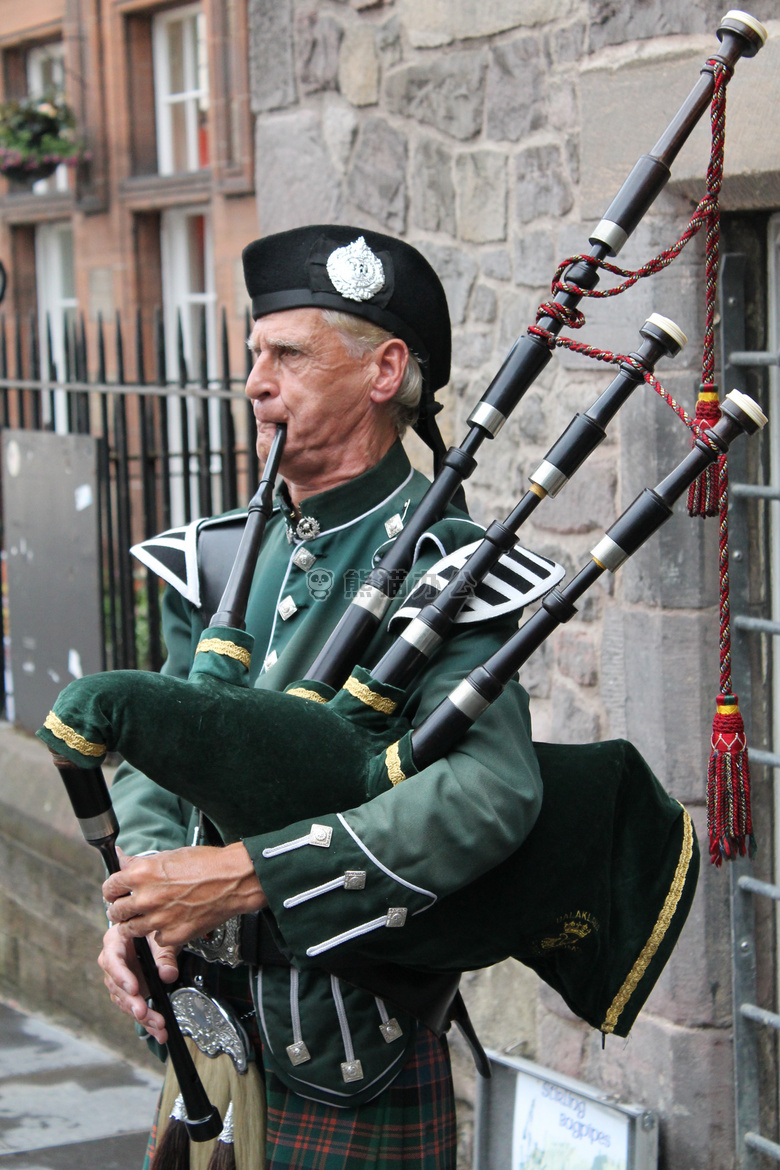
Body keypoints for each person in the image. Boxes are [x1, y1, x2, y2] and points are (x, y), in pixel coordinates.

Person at [99, 225, 543, 1169]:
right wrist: (143, 900)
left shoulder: (449, 567)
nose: (256, 382)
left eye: (288, 355)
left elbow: (490, 791)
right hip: (204, 1036)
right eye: (255, 354)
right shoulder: (218, 558)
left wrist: (258, 874)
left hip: (350, 1046)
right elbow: (155, 754)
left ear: (385, 372)